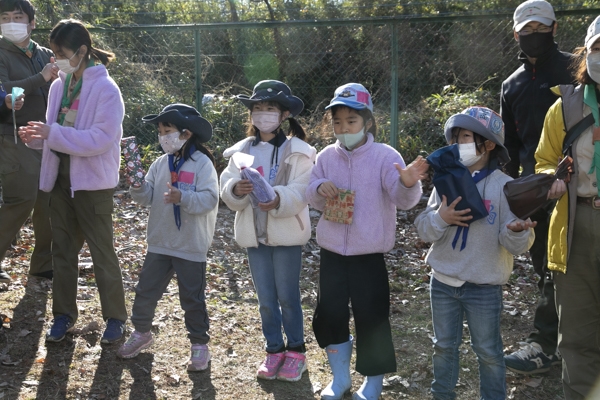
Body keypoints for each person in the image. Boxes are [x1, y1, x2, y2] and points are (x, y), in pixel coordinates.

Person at [306, 83, 428, 400]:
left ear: (368, 122)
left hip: (369, 255)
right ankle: (340, 378)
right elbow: (311, 194)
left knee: (371, 317)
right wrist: (319, 188)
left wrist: (408, 183)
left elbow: (403, 199)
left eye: (351, 121)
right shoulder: (325, 157)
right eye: (337, 122)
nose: (343, 128)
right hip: (332, 252)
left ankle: (373, 382)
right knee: (330, 313)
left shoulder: (385, 157)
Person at [415, 106, 536, 400]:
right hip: (442, 282)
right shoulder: (446, 180)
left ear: (489, 144)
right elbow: (423, 229)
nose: (460, 145)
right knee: (443, 346)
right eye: (456, 138)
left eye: (467, 138)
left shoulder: (505, 187)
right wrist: (441, 219)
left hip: (484, 286)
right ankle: (442, 395)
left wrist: (518, 231)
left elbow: (515, 244)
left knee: (489, 351)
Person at [18, 19, 127, 344]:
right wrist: (38, 137)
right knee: (62, 251)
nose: (56, 60)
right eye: (53, 53)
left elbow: (99, 140)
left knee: (102, 252)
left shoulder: (107, 90)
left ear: (82, 51)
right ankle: (63, 316)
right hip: (60, 183)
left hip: (93, 186)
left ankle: (116, 319)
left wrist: (53, 133)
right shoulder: (58, 85)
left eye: (60, 53)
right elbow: (57, 134)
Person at [220, 80, 316, 382]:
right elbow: (227, 187)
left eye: (269, 109)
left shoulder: (300, 152)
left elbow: (303, 190)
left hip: (287, 235)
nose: (263, 115)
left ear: (284, 114)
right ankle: (274, 349)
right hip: (255, 236)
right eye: (257, 109)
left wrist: (278, 199)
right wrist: (236, 188)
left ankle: (296, 351)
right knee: (265, 298)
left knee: (287, 296)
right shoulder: (241, 151)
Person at [500, 0, 574, 374]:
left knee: (567, 266)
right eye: (526, 29)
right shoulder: (511, 85)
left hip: (578, 186)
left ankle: (546, 343)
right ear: (515, 33)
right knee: (546, 267)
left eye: (541, 28)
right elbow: (509, 147)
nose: (534, 35)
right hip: (535, 192)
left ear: (554, 28)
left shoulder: (576, 69)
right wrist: (510, 193)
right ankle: (556, 343)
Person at [117, 104, 219, 371]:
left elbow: (210, 199)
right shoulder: (161, 163)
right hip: (160, 242)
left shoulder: (202, 164)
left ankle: (199, 345)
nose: (163, 136)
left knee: (192, 298)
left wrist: (182, 197)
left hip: (190, 245)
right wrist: (137, 186)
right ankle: (141, 333)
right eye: (160, 131)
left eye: (168, 130)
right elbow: (146, 197)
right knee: (146, 291)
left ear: (186, 133)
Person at [534, 15, 600, 399]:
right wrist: (553, 177)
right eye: (597, 48)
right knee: (576, 334)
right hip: (577, 223)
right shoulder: (565, 107)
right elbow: (543, 159)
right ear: (585, 54)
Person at [0, 0, 58, 282]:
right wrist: (40, 77)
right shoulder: (0, 52)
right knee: (20, 200)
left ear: (32, 22)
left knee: (48, 201)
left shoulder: (46, 53)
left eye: (18, 16)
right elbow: (2, 90)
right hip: (13, 136)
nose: (11, 22)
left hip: (48, 137)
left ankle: (43, 264)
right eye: (5, 17)